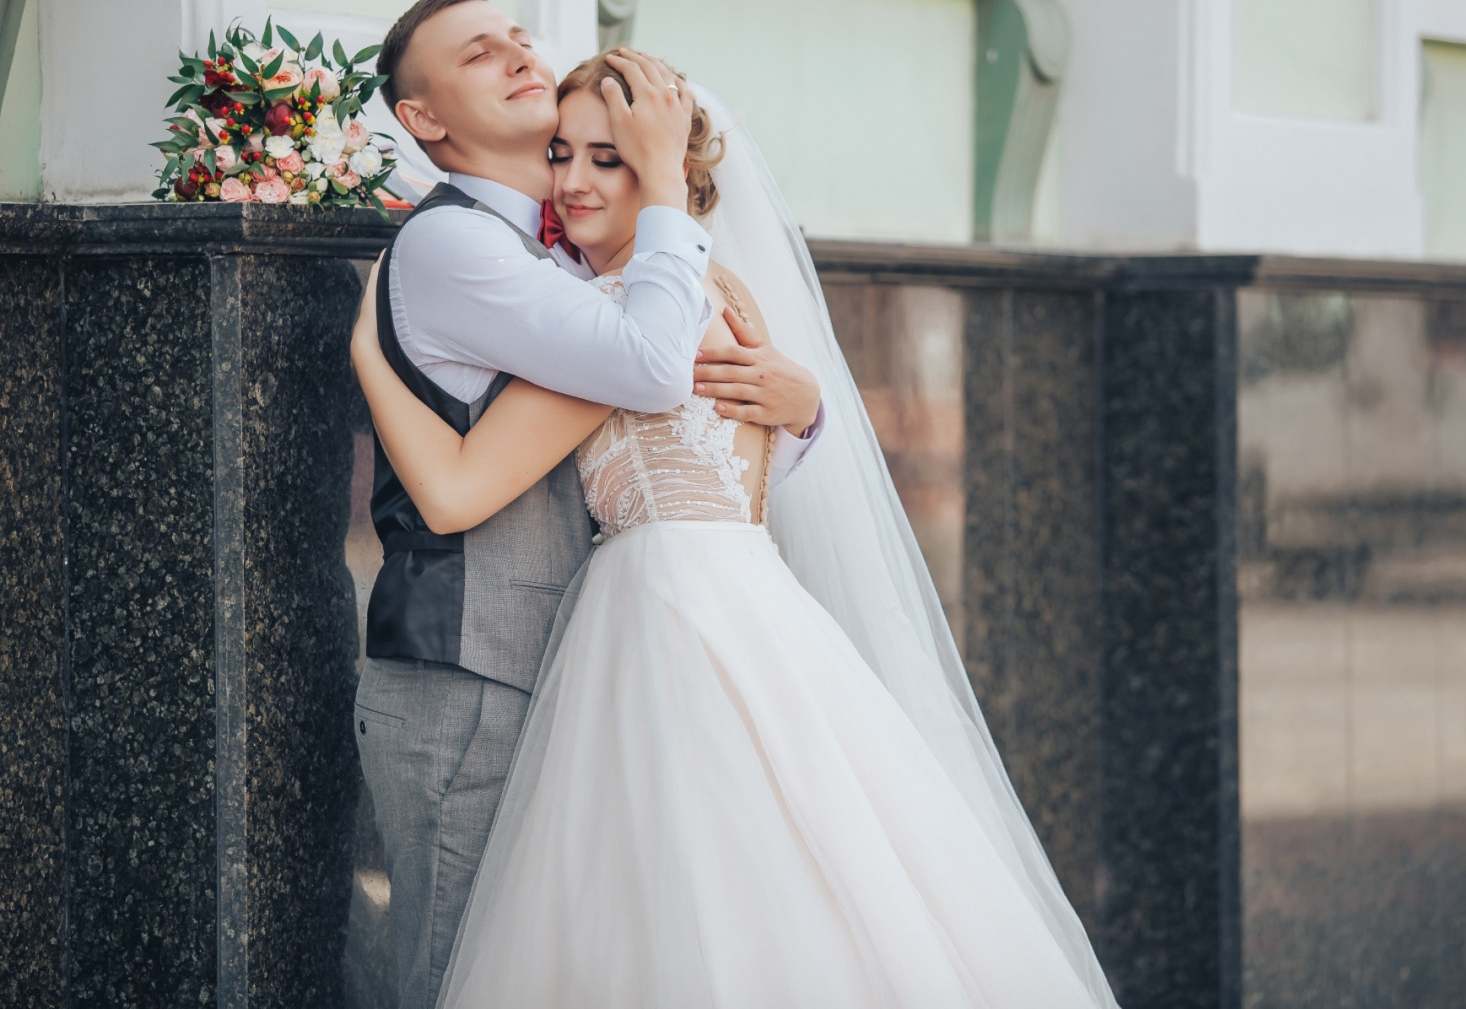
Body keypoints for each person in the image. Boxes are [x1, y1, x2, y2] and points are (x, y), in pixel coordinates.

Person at [350, 50, 1121, 1008]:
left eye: (613, 159)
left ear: (671, 174)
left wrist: (372, 355)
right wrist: (805, 412)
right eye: (564, 154)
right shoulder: (728, 296)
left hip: (668, 619)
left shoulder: (627, 325)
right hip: (744, 595)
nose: (576, 182)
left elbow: (457, 491)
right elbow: (744, 453)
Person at [351, 0, 826, 1009]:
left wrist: (805, 404)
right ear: (424, 120)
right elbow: (647, 373)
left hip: (622, 642)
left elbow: (703, 441)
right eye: (480, 55)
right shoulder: (462, 245)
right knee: (459, 973)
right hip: (475, 669)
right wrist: (657, 186)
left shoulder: (594, 265)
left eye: (518, 38)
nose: (519, 54)